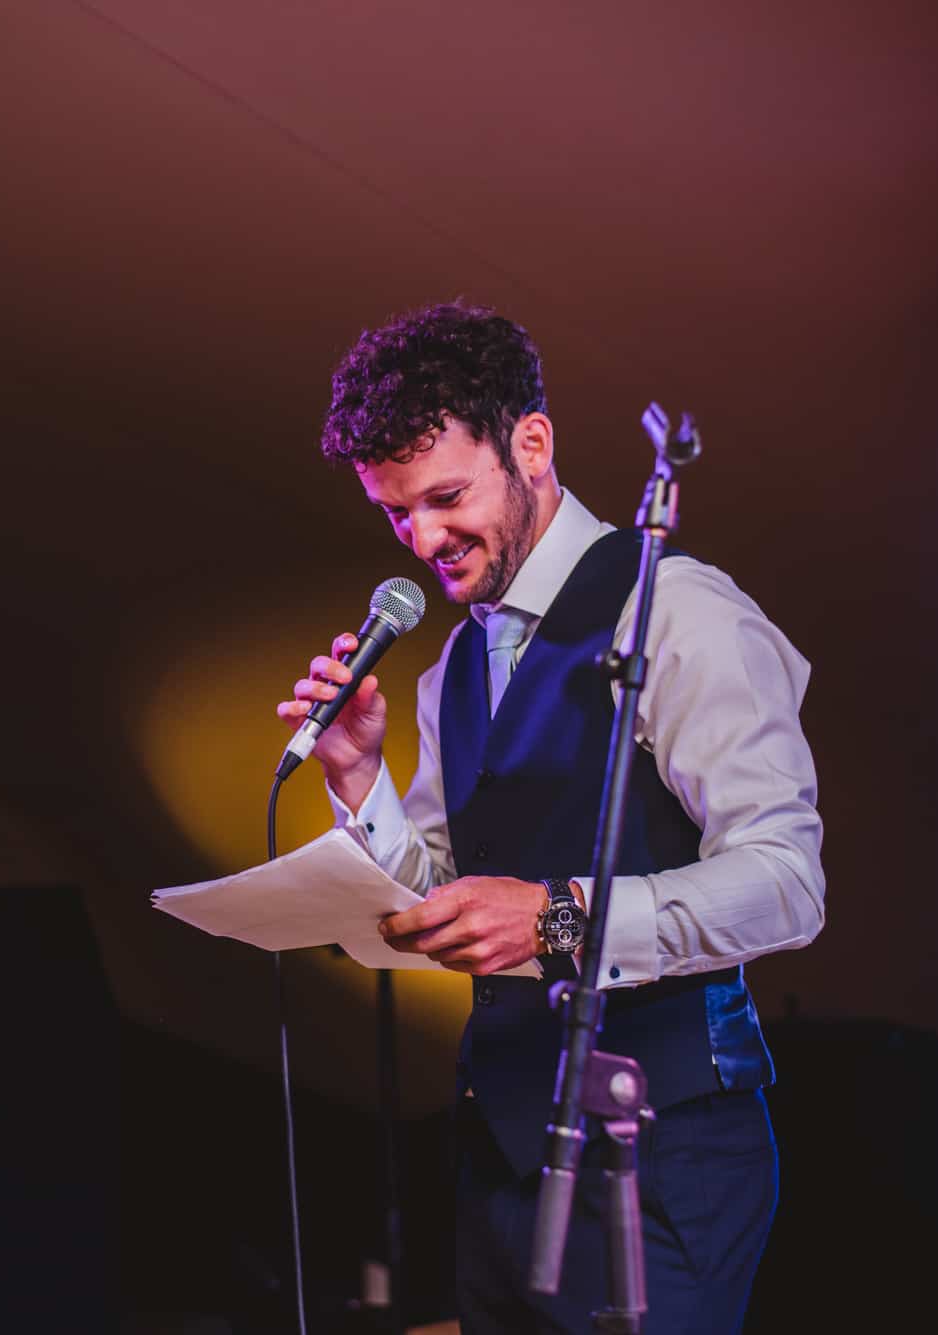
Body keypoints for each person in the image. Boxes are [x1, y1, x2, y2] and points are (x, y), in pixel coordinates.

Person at [278, 302, 825, 1333]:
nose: (422, 539)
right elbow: (442, 893)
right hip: (502, 1165)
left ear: (530, 443)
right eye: (396, 515)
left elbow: (786, 884)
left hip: (662, 1157)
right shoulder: (449, 672)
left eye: (443, 498)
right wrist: (357, 779)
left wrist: (558, 918)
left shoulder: (678, 612)